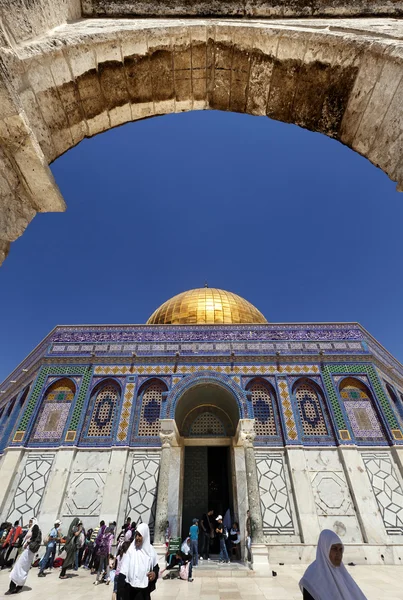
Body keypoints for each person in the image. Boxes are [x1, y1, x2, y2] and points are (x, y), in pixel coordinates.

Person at [300, 529, 368, 600]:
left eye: (340, 549)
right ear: (325, 548)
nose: (338, 553)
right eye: (334, 548)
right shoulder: (312, 576)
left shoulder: (341, 572)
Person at [117, 523, 159, 600]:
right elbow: (123, 571)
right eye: (136, 535)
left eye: (140, 535)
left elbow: (156, 567)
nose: (137, 538)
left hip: (143, 593)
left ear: (145, 536)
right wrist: (119, 593)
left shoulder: (151, 551)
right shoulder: (131, 550)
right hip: (129, 591)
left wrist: (154, 574)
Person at [6, 517, 41, 595]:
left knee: (19, 568)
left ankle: (13, 587)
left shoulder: (36, 528)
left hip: (28, 551)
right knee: (21, 568)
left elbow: (35, 538)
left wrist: (29, 542)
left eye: (31, 522)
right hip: (26, 551)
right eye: (29, 522)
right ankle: (18, 585)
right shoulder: (31, 529)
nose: (30, 523)